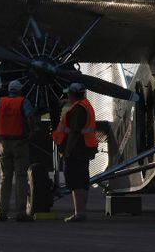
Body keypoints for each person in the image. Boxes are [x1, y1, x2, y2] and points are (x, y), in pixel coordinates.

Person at [0, 79, 37, 222]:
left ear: (9, 90)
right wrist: (32, 131)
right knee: (21, 177)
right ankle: (21, 212)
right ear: (19, 90)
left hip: (3, 143)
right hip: (20, 143)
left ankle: (2, 212)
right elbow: (30, 115)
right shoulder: (23, 101)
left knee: (5, 178)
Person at [53, 82, 98, 223]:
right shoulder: (86, 105)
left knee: (75, 182)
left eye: (68, 94)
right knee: (82, 182)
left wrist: (67, 151)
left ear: (72, 94)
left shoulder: (78, 110)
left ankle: (79, 213)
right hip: (84, 150)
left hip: (76, 151)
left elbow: (74, 132)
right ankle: (81, 212)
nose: (67, 96)